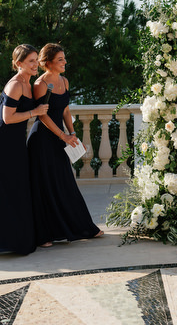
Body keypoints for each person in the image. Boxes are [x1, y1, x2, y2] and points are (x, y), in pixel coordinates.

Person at [27, 43, 103, 247]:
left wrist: (73, 133)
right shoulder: (40, 84)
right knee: (45, 185)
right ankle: (44, 235)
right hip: (42, 140)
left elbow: (66, 111)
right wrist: (63, 136)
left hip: (60, 137)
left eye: (64, 58)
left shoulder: (65, 81)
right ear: (48, 62)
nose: (65, 62)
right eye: (60, 59)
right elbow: (42, 116)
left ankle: (83, 227)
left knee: (64, 182)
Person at [0, 44, 49, 255]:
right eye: (31, 61)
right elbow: (7, 118)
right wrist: (35, 112)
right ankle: (13, 241)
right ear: (18, 64)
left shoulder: (28, 83)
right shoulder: (16, 85)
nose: (36, 64)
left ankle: (23, 238)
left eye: (37, 59)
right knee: (12, 189)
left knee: (19, 188)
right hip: (5, 143)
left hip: (16, 141)